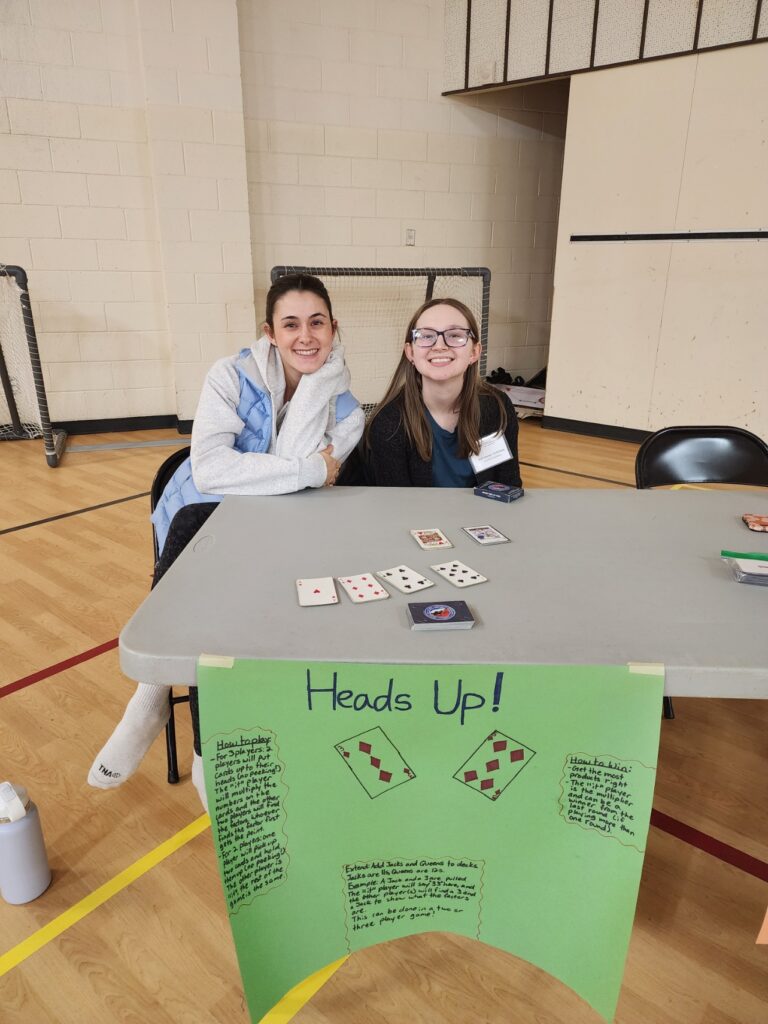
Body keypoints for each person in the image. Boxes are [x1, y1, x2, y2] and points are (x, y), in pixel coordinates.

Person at [88, 274, 365, 807]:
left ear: (334, 329)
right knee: (204, 567)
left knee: (233, 605)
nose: (305, 337)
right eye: (291, 324)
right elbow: (212, 471)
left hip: (279, 531)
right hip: (202, 518)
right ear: (269, 331)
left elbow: (301, 477)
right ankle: (193, 743)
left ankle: (156, 699)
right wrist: (307, 468)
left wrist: (315, 391)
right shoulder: (229, 376)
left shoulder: (346, 407)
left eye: (317, 323)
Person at [358, 297, 521, 488]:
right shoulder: (389, 424)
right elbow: (397, 509)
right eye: (426, 336)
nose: (439, 345)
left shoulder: (497, 407)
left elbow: (509, 487)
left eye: (455, 335)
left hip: (483, 517)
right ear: (410, 352)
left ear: (474, 352)